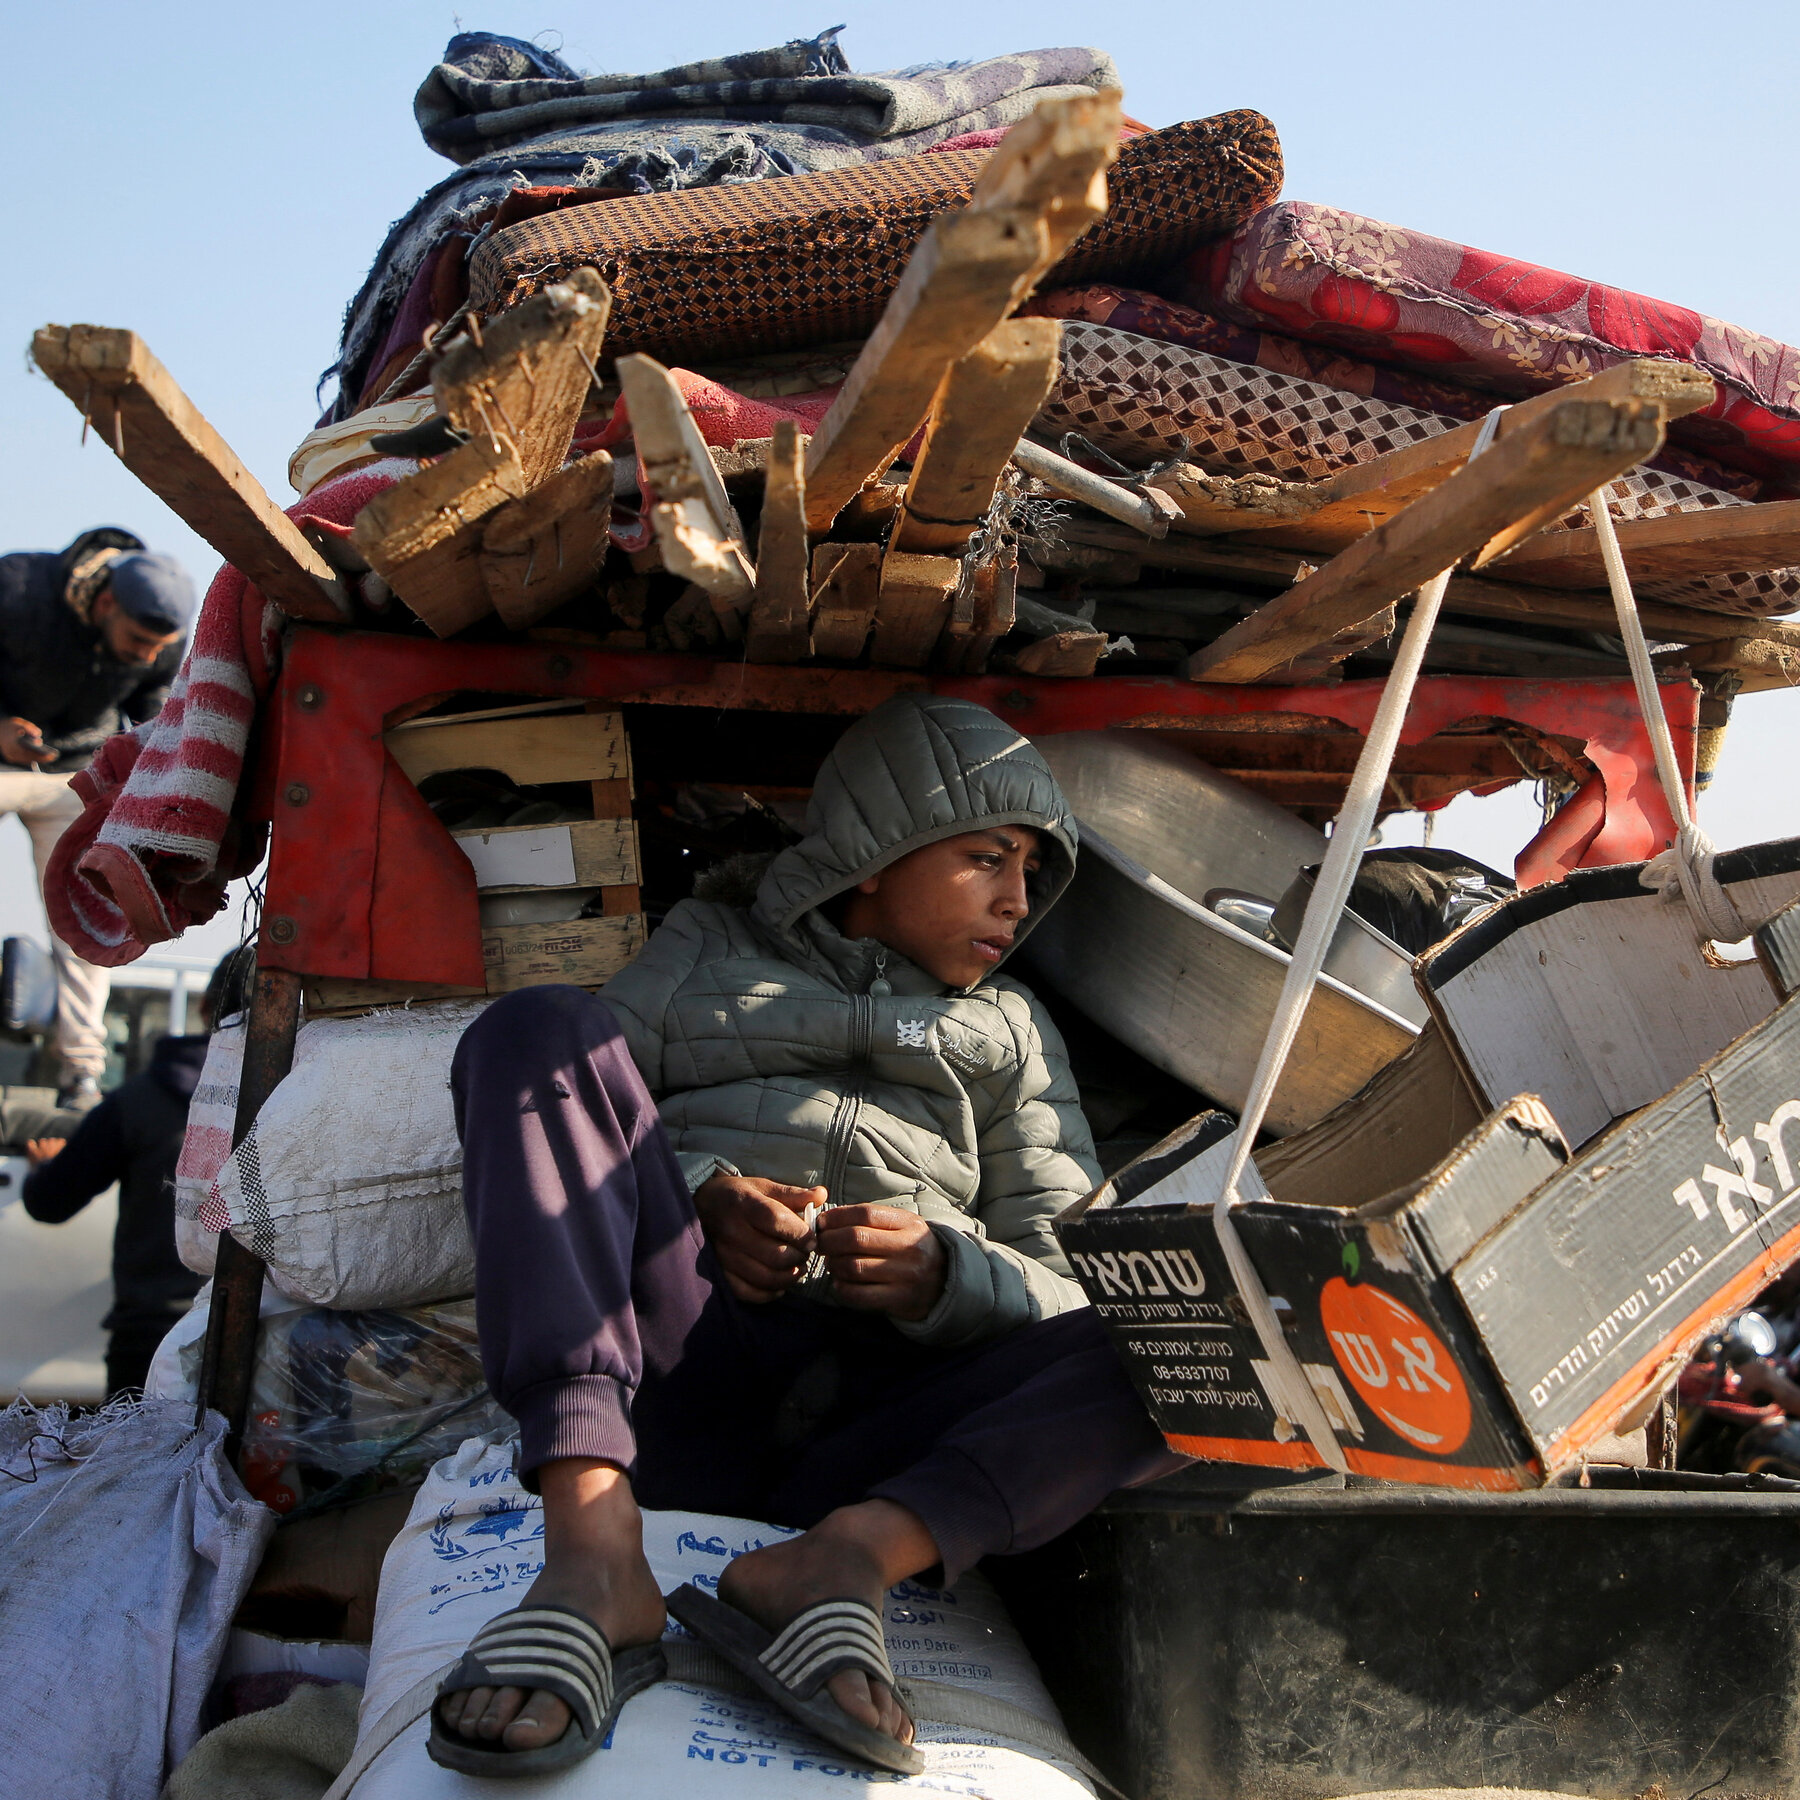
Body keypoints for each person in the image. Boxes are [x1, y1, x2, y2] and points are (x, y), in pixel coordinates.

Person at [430, 694, 1185, 1779]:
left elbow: (1070, 1272)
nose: (1019, 900)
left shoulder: (1015, 1031)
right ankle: (594, 1555)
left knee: (1200, 1326)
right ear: (875, 855)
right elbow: (590, 1139)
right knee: (538, 1032)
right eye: (989, 858)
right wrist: (704, 1196)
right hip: (685, 1369)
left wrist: (945, 1273)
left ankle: (840, 1563)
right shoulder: (700, 950)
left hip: (891, 1430)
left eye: (1031, 873)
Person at [0, 528, 196, 1107]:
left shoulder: (160, 640)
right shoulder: (17, 589)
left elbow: (154, 726)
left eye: (158, 647)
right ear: (106, 603)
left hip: (70, 779)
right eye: (137, 641)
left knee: (92, 915)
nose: (146, 657)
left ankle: (81, 1070)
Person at [21, 949, 245, 1396]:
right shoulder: (293, 1106)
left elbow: (50, 1201)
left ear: (204, 1007)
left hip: (151, 1343)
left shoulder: (137, 1101)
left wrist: (45, 1164)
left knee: (136, 1465)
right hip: (266, 1340)